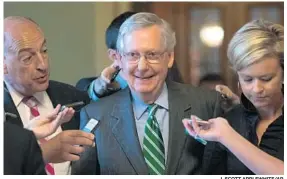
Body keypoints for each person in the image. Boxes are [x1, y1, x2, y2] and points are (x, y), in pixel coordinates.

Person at [72, 12, 223, 175]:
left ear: (170, 57)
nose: (142, 66)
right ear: (119, 59)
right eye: (133, 55)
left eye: (152, 55)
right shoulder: (96, 115)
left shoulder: (207, 104)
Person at [183, 19, 284, 175]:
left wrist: (228, 136)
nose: (256, 89)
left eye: (266, 79)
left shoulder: (226, 130)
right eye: (248, 79)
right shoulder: (231, 120)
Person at [4, 16, 95, 175]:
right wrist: (43, 154)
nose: (43, 65)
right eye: (27, 58)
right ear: (3, 65)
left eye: (44, 51)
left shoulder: (75, 98)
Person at [76, 11, 136, 100]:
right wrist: (101, 85)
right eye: (133, 54)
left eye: (151, 53)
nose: (143, 64)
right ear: (114, 56)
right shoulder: (95, 87)